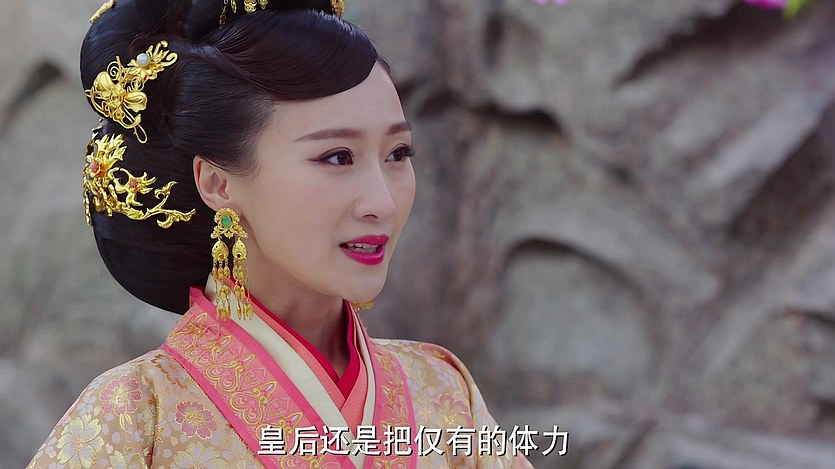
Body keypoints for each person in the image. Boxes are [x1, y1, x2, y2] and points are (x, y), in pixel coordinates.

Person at [28, 0, 534, 467]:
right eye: (337, 157)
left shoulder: (442, 391)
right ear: (218, 183)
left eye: (398, 154)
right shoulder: (135, 417)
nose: (382, 202)